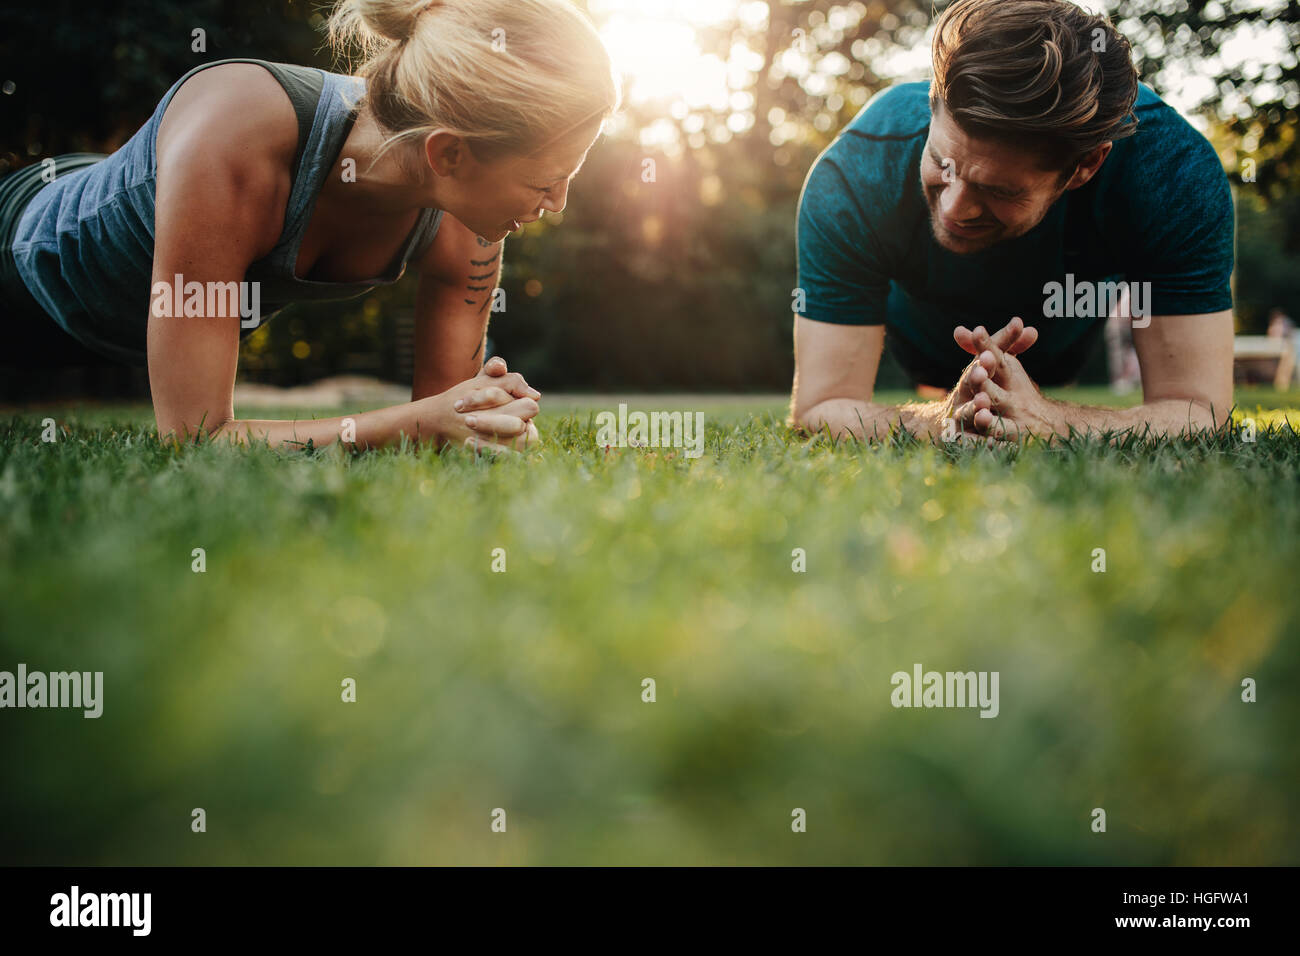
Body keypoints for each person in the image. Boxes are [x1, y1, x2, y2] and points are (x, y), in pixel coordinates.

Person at [0, 0, 620, 451]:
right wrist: (424, 421)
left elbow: (449, 426)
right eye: (545, 181)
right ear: (449, 154)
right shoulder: (236, 136)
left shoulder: (472, 222)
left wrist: (487, 420)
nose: (559, 203)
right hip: (23, 261)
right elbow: (195, 440)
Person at [791, 0, 1235, 442]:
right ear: (931, 106)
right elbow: (819, 406)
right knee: (932, 380)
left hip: (1063, 346)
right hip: (922, 346)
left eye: (999, 190)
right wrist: (937, 420)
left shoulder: (1173, 174)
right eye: (941, 163)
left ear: (1087, 166)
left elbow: (1203, 410)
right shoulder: (856, 171)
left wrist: (1050, 420)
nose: (954, 209)